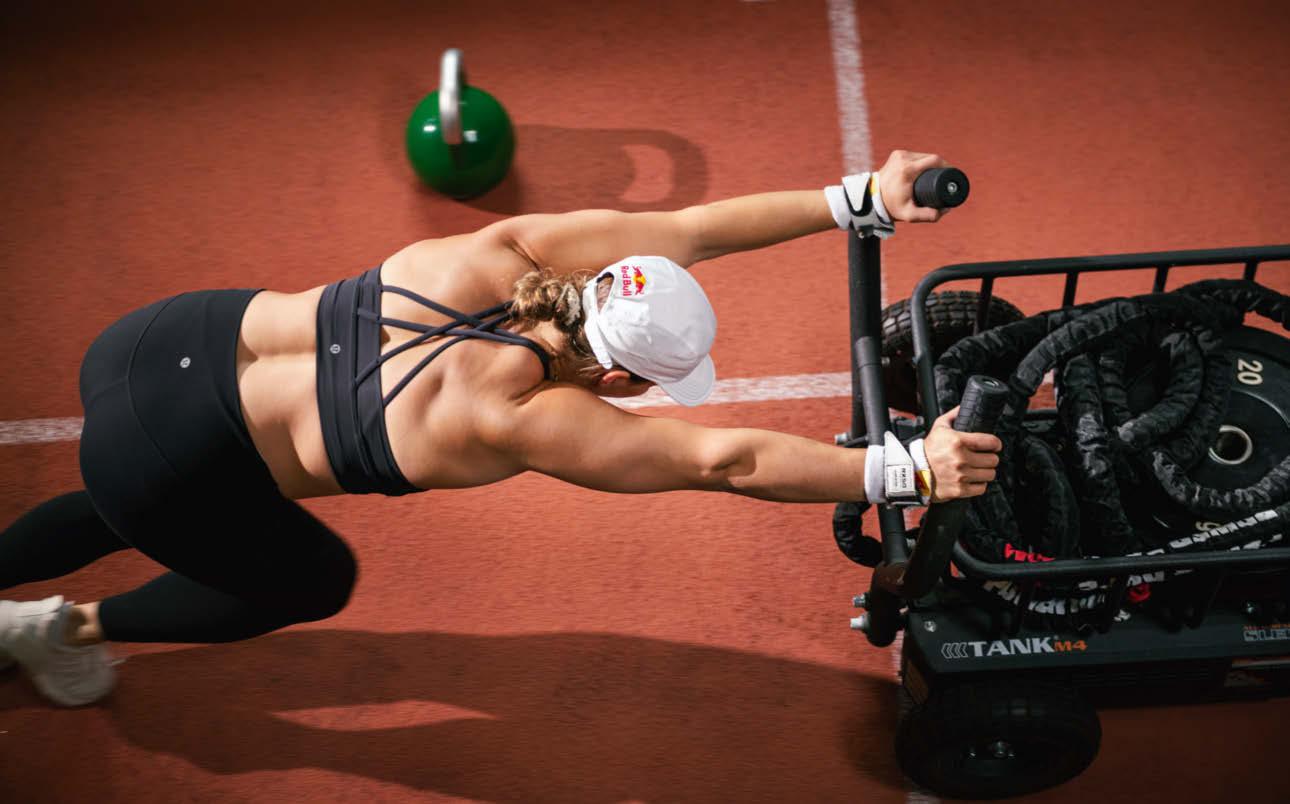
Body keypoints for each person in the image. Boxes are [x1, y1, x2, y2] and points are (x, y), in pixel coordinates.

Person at [0, 150, 1001, 706]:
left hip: (152, 342)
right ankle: (63, 630)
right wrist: (910, 470)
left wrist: (857, 197)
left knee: (136, 494)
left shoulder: (517, 250)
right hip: (160, 461)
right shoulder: (517, 414)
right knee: (310, 580)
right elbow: (722, 459)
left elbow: (695, 230)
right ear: (616, 374)